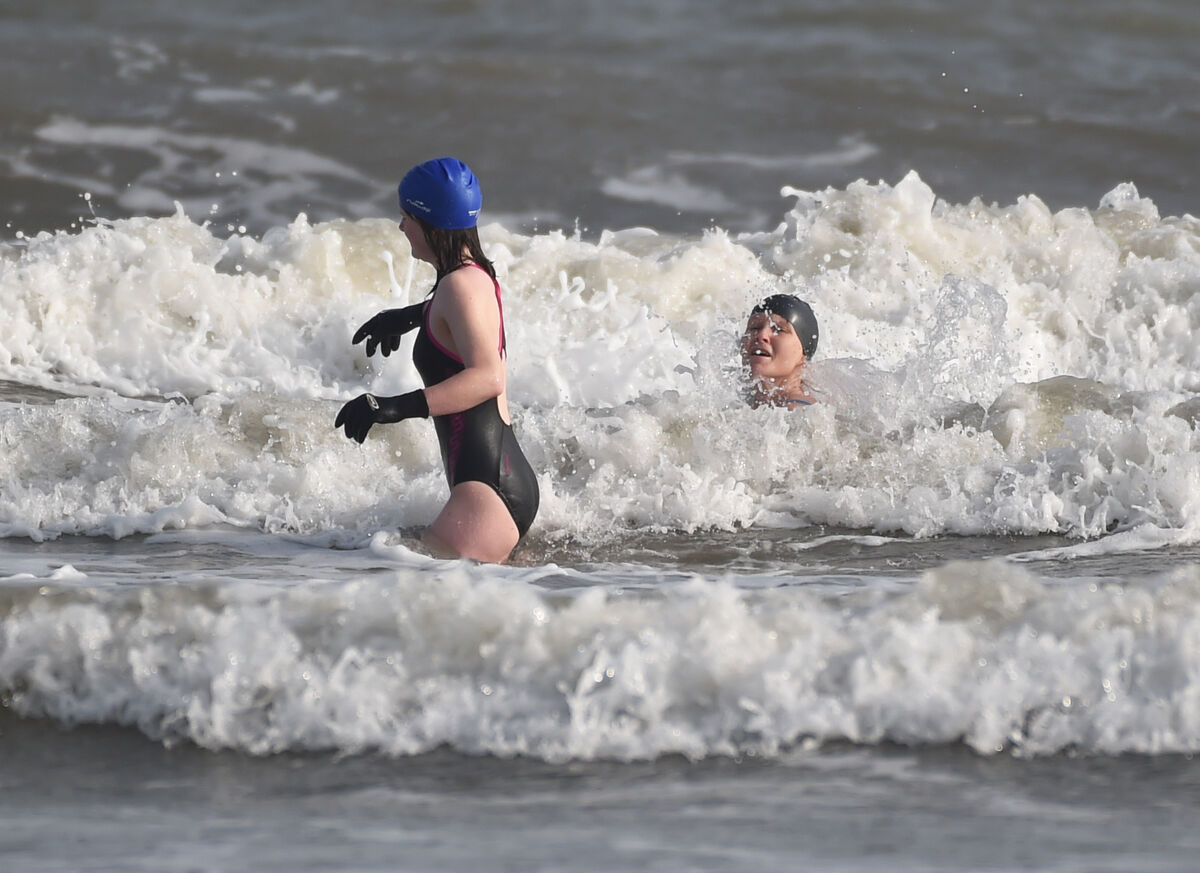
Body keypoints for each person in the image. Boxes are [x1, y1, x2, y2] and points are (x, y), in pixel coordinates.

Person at [335, 157, 539, 563]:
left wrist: (389, 407)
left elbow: (487, 378)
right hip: (494, 484)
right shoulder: (473, 274)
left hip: (485, 498)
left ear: (430, 222)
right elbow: (460, 318)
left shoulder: (461, 285)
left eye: (406, 216)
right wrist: (411, 317)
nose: (401, 227)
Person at [741, 294, 819, 408]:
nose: (761, 335)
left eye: (778, 329)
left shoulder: (803, 413)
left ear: (803, 354)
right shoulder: (734, 398)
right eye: (755, 327)